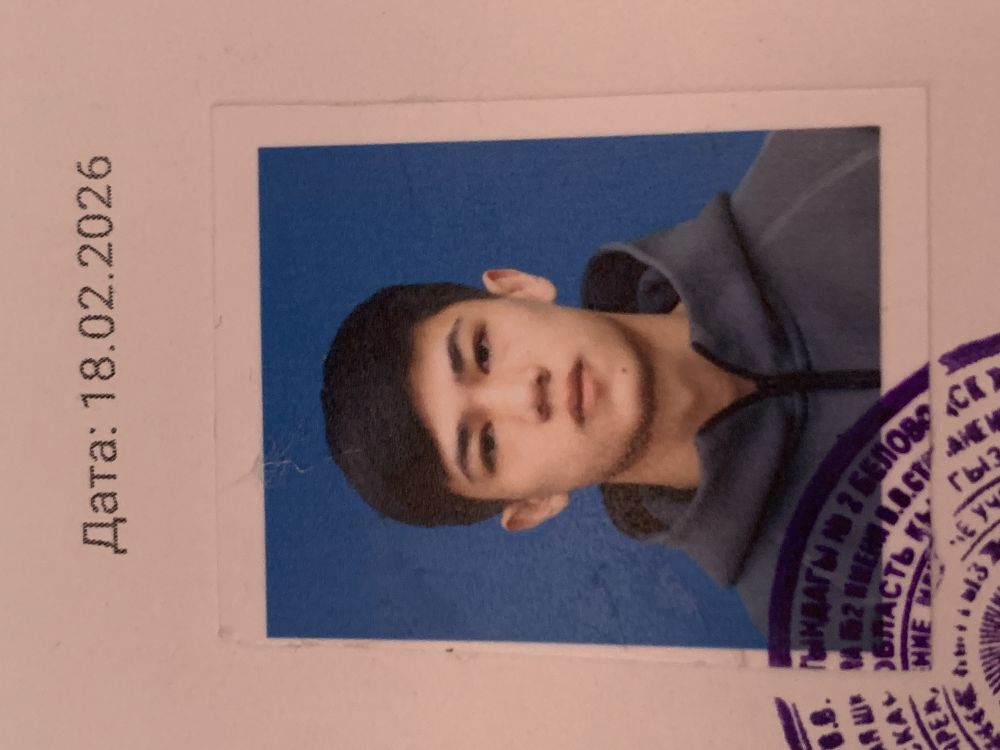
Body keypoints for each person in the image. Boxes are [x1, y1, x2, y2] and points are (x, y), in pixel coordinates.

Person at [321, 127, 880, 635]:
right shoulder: (832, 620)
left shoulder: (836, 151)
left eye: (482, 350)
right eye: (486, 444)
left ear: (518, 287)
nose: (525, 394)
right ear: (534, 505)